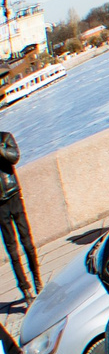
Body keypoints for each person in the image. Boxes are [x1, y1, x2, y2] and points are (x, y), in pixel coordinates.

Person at [0, 130, 37, 305]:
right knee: (12, 251)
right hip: (0, 205)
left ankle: (37, 279)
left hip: (14, 195)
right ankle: (25, 288)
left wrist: (0, 148)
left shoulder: (5, 137)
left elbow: (14, 157)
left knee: (28, 243)